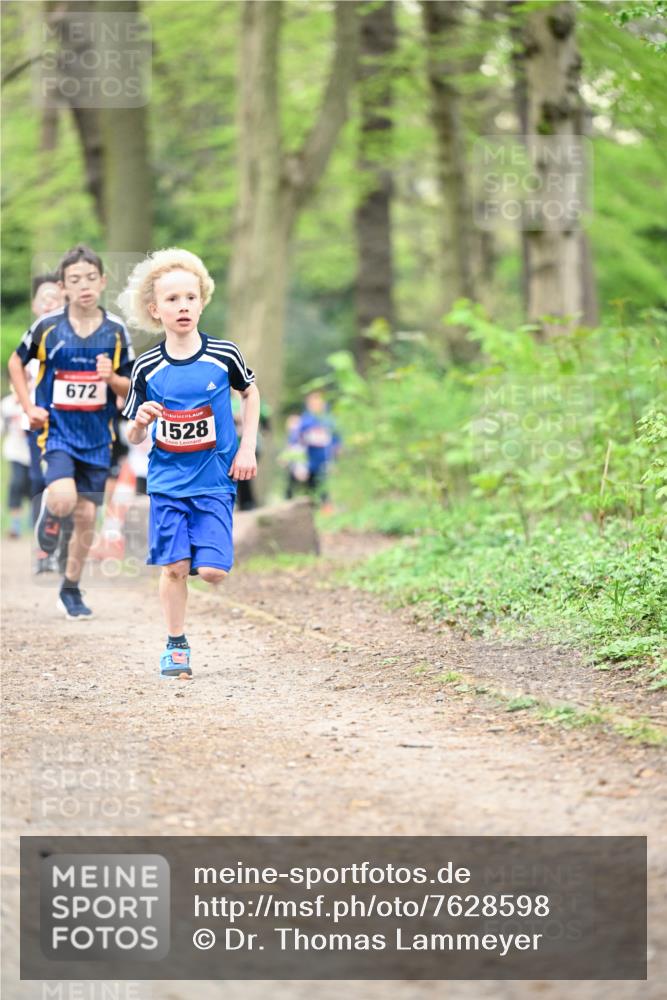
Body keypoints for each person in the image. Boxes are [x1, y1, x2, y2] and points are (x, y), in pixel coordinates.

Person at [119, 248, 259, 679]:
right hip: (167, 482)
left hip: (215, 478)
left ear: (202, 302)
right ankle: (176, 645)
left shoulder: (224, 355)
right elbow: (133, 434)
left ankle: (199, 547)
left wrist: (247, 447)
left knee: (214, 572)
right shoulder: (146, 367)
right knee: (175, 567)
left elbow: (250, 393)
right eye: (172, 299)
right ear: (155, 310)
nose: (183, 306)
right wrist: (141, 424)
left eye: (190, 297)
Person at [7, 245, 134, 618]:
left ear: (103, 281)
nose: (84, 286)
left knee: (84, 518)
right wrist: (29, 406)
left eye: (91, 278)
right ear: (63, 286)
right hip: (57, 432)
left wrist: (110, 377)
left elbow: (130, 386)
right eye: (75, 280)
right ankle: (48, 518)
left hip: (98, 439)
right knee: (63, 499)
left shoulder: (115, 330)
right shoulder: (47, 327)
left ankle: (71, 588)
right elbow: (17, 361)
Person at [27, 273, 66, 571]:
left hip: (72, 425)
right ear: (34, 304)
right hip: (38, 426)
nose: (50, 301)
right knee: (44, 484)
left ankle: (64, 548)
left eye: (55, 296)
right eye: (44, 297)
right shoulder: (29, 343)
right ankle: (44, 552)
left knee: (66, 486)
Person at [296, 391, 340, 506]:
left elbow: (337, 442)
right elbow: (298, 443)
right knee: (312, 493)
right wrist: (299, 466)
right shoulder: (304, 422)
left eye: (318, 402)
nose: (315, 405)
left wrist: (336, 461)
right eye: (312, 403)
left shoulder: (329, 420)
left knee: (326, 491)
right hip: (310, 464)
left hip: (326, 462)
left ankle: (328, 513)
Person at [1, 387, 31, 537]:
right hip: (15, 452)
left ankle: (33, 523)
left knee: (36, 486)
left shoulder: (35, 399)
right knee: (16, 484)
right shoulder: (7, 404)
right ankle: (15, 526)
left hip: (34, 454)